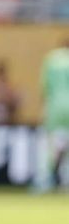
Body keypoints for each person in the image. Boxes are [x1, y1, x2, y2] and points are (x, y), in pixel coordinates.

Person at [41, 40, 69, 188]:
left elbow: (45, 87)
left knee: (54, 143)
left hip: (55, 107)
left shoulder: (51, 59)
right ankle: (65, 179)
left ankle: (47, 179)